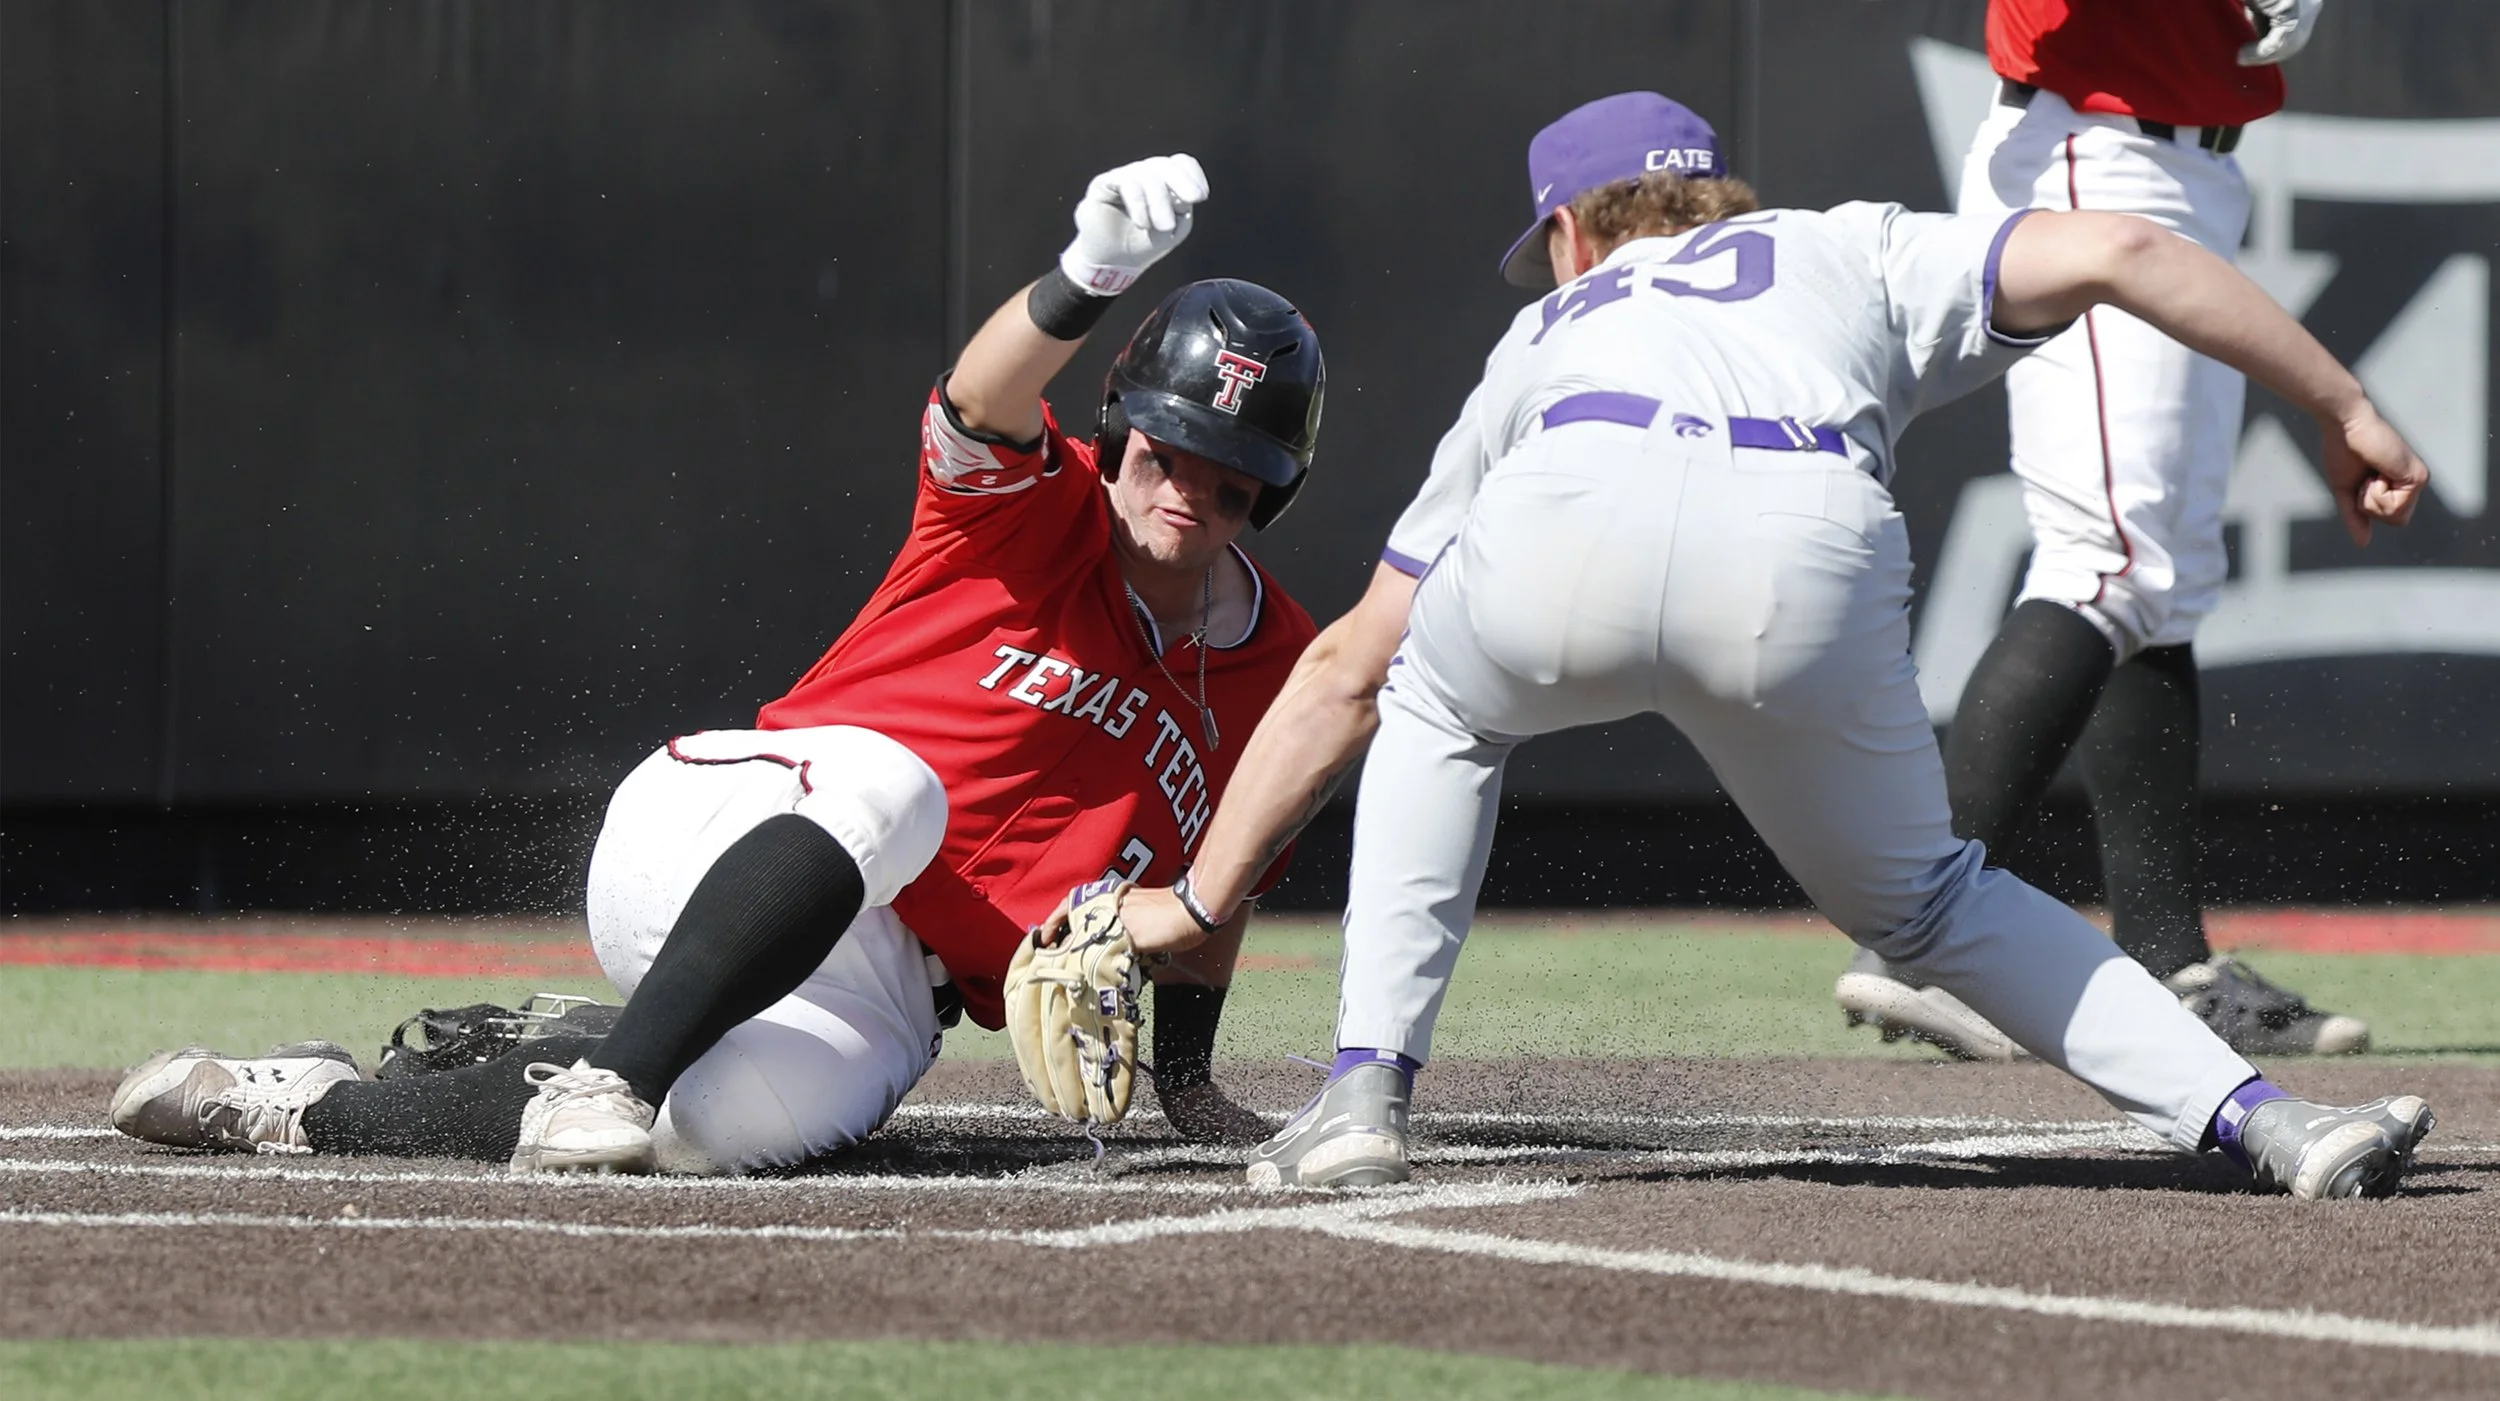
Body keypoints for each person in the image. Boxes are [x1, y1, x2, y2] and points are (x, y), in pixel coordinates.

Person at [1075, 92, 2432, 1200]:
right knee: (1934, 906)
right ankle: (2271, 1123)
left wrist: (1192, 906)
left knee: (1431, 702)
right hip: (1801, 532)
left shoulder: (1548, 327)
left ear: (1570, 232)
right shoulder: (1853, 242)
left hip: (1574, 500)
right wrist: (2342, 401)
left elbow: (1343, 669)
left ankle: (1364, 1096)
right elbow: (2130, 252)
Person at [109, 153, 1322, 1173]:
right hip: (737, 825)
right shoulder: (1029, 506)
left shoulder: (1279, 664)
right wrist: (1083, 279)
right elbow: (978, 395)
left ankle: (309, 1105)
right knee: (897, 790)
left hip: (888, 980)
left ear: (1271, 493)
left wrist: (1189, 1084)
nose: (1189, 492)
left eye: (1230, 478)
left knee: (714, 1133)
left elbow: (1229, 876)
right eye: (1168, 450)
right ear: (1122, 428)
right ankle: (621, 1069)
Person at [1834, 0, 2366, 1062]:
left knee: (2158, 578)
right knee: (2109, 559)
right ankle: (1914, 940)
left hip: (2175, 162)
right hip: (2093, 149)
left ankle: (2172, 965)